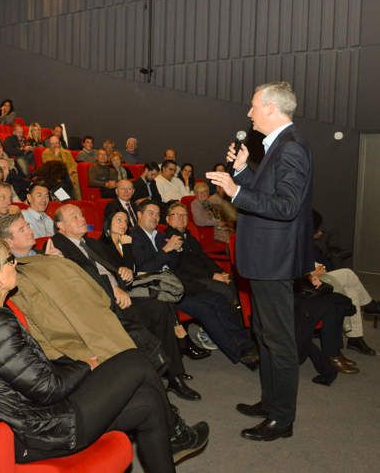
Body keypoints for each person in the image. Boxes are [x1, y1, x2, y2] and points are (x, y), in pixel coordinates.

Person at [0, 237, 207, 470]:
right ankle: (176, 433)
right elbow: (48, 388)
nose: (15, 263)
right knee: (136, 360)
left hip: (29, 417)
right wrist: (86, 365)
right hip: (37, 430)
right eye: (9, 261)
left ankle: (174, 436)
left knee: (149, 404)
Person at [206, 81, 313, 442]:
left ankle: (282, 420)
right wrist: (241, 173)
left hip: (274, 261)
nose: (249, 113)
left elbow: (286, 207)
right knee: (265, 335)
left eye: (253, 106)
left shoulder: (291, 149)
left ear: (270, 108)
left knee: (279, 341)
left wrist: (237, 192)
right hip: (265, 259)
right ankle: (269, 402)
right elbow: (265, 193)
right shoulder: (275, 147)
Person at [52, 204, 200, 401]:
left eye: (81, 214)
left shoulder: (89, 243)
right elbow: (82, 280)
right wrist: (113, 287)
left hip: (117, 293)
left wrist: (123, 273)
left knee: (161, 307)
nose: (82, 219)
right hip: (100, 304)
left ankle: (173, 374)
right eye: (74, 216)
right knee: (143, 319)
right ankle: (153, 380)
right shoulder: (59, 247)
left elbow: (112, 268)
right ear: (60, 226)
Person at [151, 201, 259, 368]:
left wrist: (220, 273)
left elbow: (204, 258)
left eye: (184, 215)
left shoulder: (189, 236)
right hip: (186, 285)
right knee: (218, 301)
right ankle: (239, 350)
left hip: (198, 281)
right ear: (167, 219)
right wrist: (213, 275)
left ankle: (245, 345)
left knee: (224, 297)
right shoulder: (166, 239)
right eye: (176, 216)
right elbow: (180, 269)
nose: (181, 219)